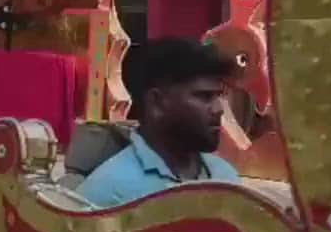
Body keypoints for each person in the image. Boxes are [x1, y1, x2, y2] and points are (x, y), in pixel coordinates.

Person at [76, 37, 241, 208]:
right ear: (157, 102)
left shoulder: (225, 177)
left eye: (219, 95)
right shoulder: (110, 191)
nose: (218, 108)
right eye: (204, 96)